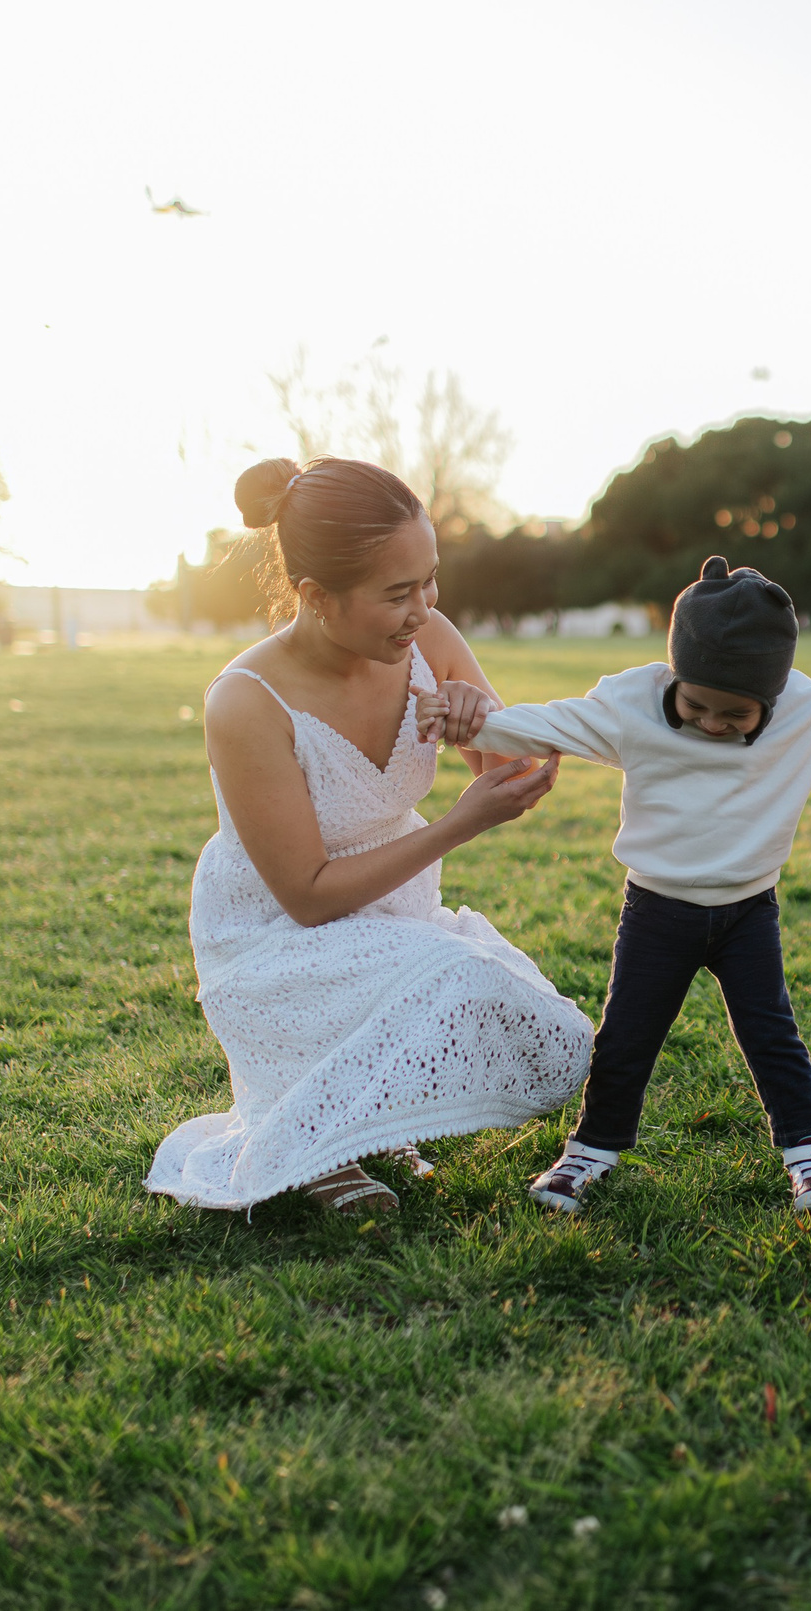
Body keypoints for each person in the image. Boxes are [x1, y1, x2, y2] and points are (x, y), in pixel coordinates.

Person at [424, 556, 811, 1217]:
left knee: (773, 1035)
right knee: (626, 1036)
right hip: (656, 909)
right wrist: (469, 723)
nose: (711, 723)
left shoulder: (805, 711)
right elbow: (549, 723)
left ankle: (809, 1151)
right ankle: (591, 1150)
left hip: (747, 912)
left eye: (734, 714)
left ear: (773, 694)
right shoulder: (631, 703)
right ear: (673, 675)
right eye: (695, 705)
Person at [144, 456, 594, 1219]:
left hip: (394, 912)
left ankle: (363, 1116)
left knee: (559, 1033)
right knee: (463, 974)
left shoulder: (430, 638)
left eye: (431, 580)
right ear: (317, 596)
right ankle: (319, 1145)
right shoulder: (245, 701)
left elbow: (520, 771)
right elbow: (308, 897)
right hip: (276, 941)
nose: (423, 608)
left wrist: (478, 717)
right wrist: (457, 824)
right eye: (397, 593)